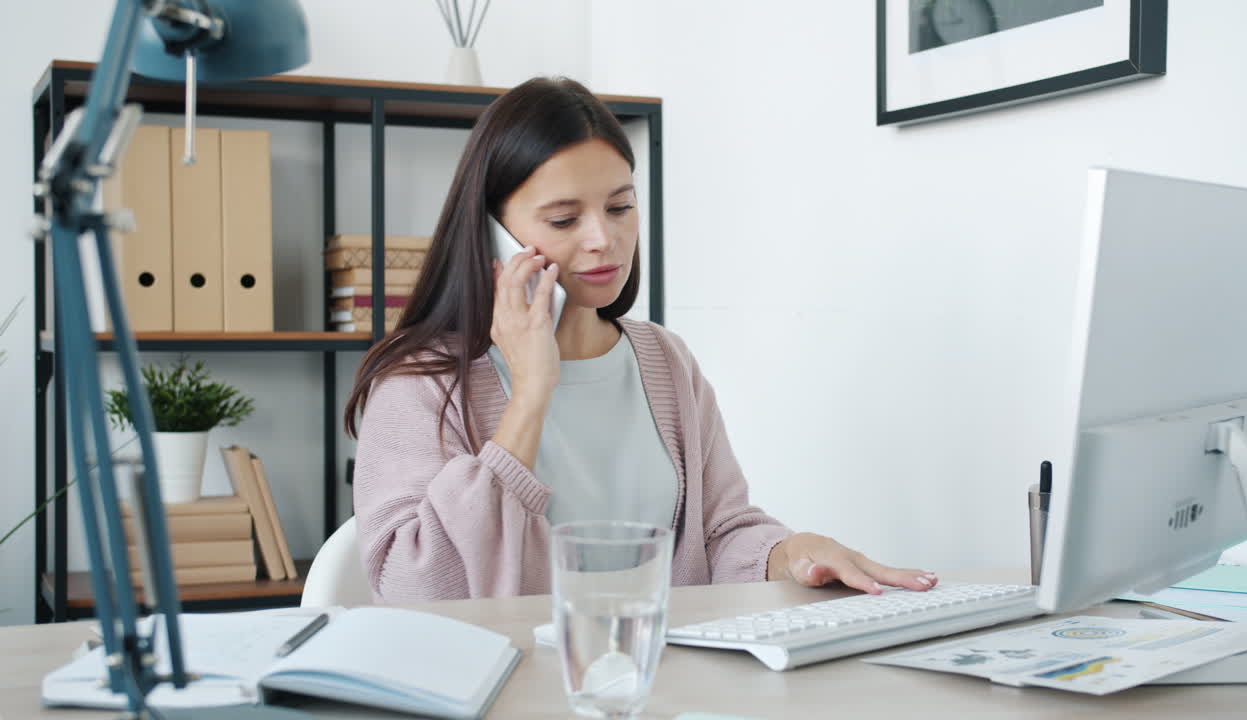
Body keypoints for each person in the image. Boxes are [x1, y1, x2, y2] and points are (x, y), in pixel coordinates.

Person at [346, 77, 937, 603]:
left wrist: (789, 553)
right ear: (491, 235)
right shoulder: (420, 383)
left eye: (621, 206)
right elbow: (414, 587)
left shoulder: (665, 360)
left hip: (657, 677)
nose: (604, 238)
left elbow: (720, 535)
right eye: (563, 220)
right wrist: (529, 395)